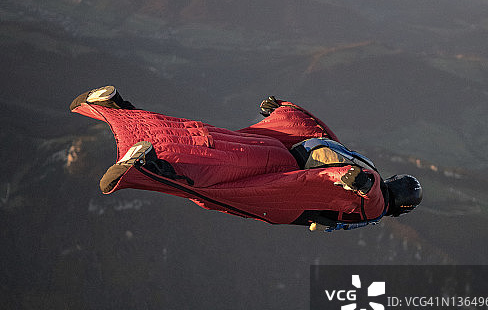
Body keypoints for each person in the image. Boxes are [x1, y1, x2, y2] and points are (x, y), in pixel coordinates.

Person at [70, 86, 422, 231]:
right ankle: (146, 168)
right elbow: (370, 194)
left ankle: (116, 109)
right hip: (289, 190)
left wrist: (287, 110)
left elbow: (324, 138)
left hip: (283, 153)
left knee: (206, 141)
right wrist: (355, 183)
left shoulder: (370, 167)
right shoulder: (373, 203)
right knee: (218, 192)